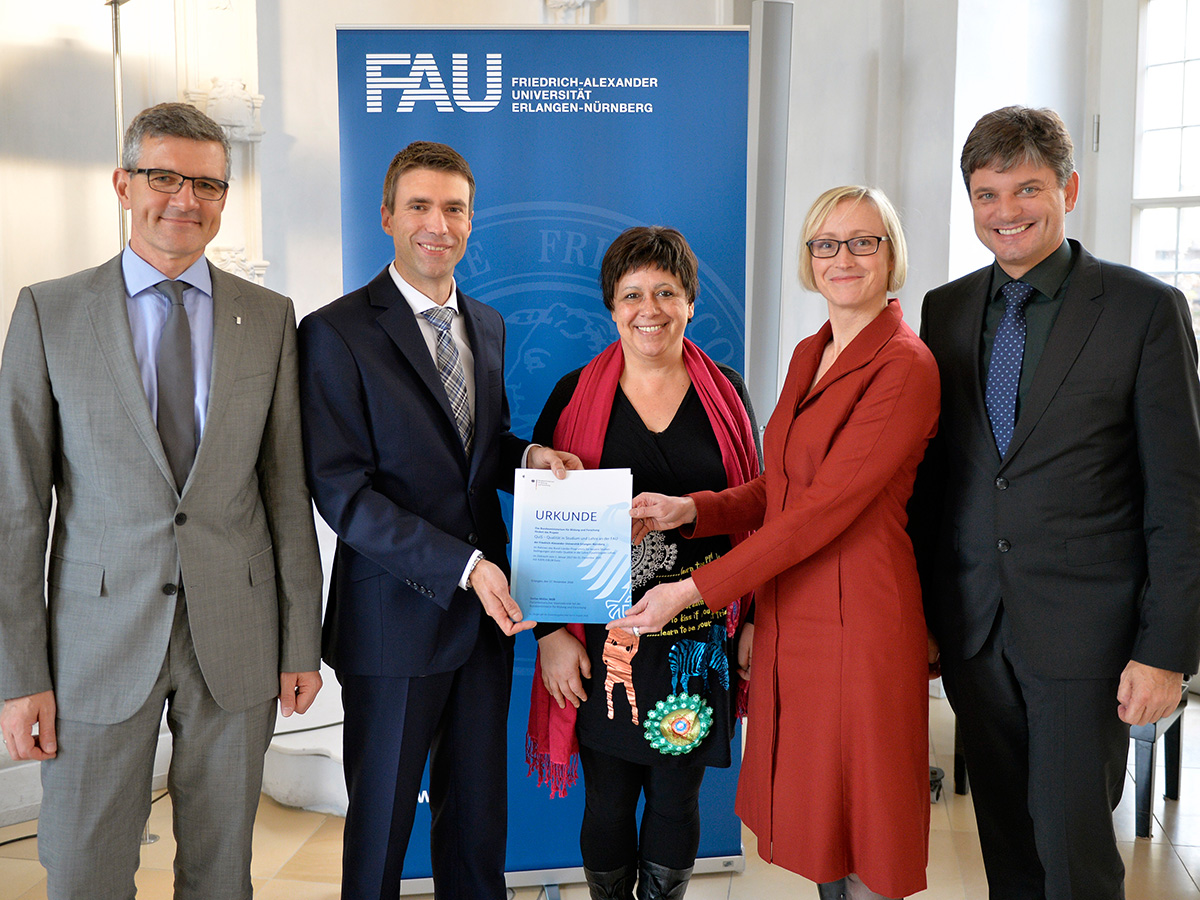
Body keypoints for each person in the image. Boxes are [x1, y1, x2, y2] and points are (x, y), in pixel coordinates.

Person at [0, 102, 324, 900]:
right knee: (84, 868)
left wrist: (300, 643)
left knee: (221, 873)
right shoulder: (49, 311)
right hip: (95, 643)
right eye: (165, 177)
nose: (186, 199)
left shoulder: (268, 318)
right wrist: (18, 674)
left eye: (207, 184)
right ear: (124, 185)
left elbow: (286, 492)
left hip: (238, 636)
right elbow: (15, 509)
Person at [908, 105, 1200, 900]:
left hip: (1088, 636)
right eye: (987, 194)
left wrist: (1166, 650)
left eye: (1027, 189)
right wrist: (925, 615)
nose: (1006, 211)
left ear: (1068, 190)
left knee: (1074, 855)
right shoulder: (946, 310)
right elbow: (937, 481)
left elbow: (1180, 495)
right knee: (1008, 850)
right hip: (974, 629)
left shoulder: (1144, 310)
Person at [616, 187, 939, 900]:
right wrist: (690, 511)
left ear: (891, 255)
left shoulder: (905, 364)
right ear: (809, 258)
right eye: (826, 243)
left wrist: (691, 591)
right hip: (796, 608)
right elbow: (781, 489)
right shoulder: (810, 352)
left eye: (863, 242)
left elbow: (823, 511)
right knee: (823, 822)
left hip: (861, 617)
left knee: (867, 822)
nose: (843, 258)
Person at [297, 140, 582, 900]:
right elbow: (342, 491)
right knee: (381, 832)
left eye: (454, 208)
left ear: (471, 220)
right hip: (392, 624)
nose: (438, 224)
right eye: (419, 206)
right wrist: (465, 566)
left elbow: (479, 451)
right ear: (387, 216)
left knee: (478, 828)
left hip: (485, 622)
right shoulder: (335, 331)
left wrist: (531, 459)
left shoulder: (485, 323)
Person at [525, 226, 761, 900]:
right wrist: (549, 637)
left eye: (666, 292)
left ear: (690, 303)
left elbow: (760, 513)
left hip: (696, 643)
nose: (649, 309)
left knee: (677, 800)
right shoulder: (573, 394)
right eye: (632, 294)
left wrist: (755, 620)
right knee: (605, 802)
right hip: (602, 643)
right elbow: (542, 528)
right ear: (611, 308)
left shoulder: (727, 395)